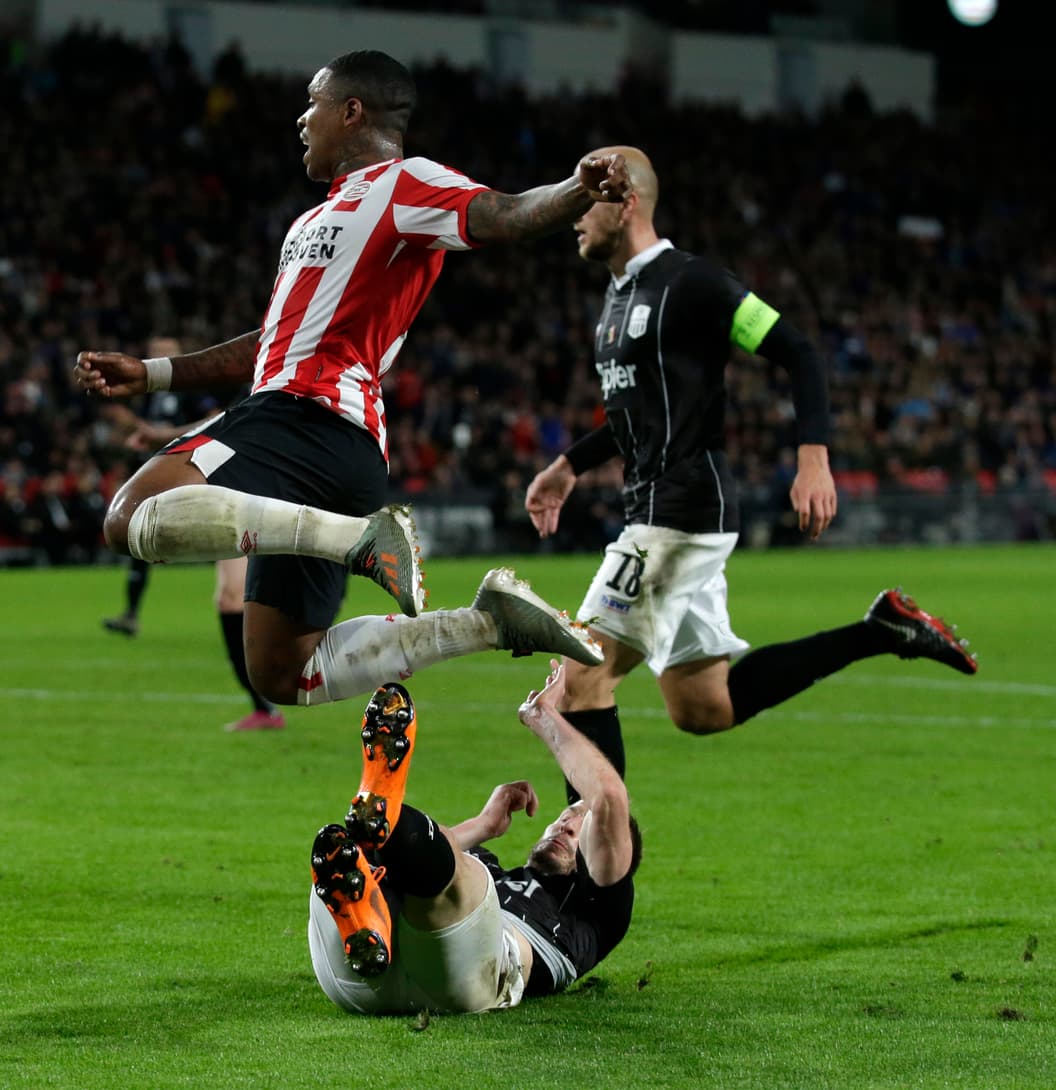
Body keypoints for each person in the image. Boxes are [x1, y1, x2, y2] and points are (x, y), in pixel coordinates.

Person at [74, 50, 623, 708]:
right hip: (337, 452)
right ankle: (487, 621)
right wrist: (157, 373)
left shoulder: (405, 184)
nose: (303, 120)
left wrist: (577, 189)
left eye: (313, 103)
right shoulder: (312, 222)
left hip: (303, 419)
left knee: (126, 518)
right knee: (283, 673)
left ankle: (357, 540)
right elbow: (274, 339)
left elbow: (507, 213)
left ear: (352, 110)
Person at [523, 146, 977, 797]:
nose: (573, 215)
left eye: (584, 199)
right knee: (702, 708)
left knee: (581, 680)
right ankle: (881, 629)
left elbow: (799, 352)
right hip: (656, 507)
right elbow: (636, 416)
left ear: (624, 204)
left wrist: (813, 457)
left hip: (678, 514)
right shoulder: (617, 302)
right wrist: (571, 464)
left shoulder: (696, 283)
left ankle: (587, 886)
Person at [308, 661, 640, 1013]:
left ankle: (380, 821)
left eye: (579, 832)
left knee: (461, 874)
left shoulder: (597, 911)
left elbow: (607, 799)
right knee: (379, 852)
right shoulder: (492, 867)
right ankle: (371, 882)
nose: (566, 826)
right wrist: (483, 824)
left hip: (467, 978)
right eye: (563, 817)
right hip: (360, 968)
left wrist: (543, 715)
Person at [102, 401, 287, 733]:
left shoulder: (301, 376)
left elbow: (229, 417)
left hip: (290, 483)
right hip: (247, 486)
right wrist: (164, 436)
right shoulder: (264, 378)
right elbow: (228, 417)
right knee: (230, 598)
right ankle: (264, 708)